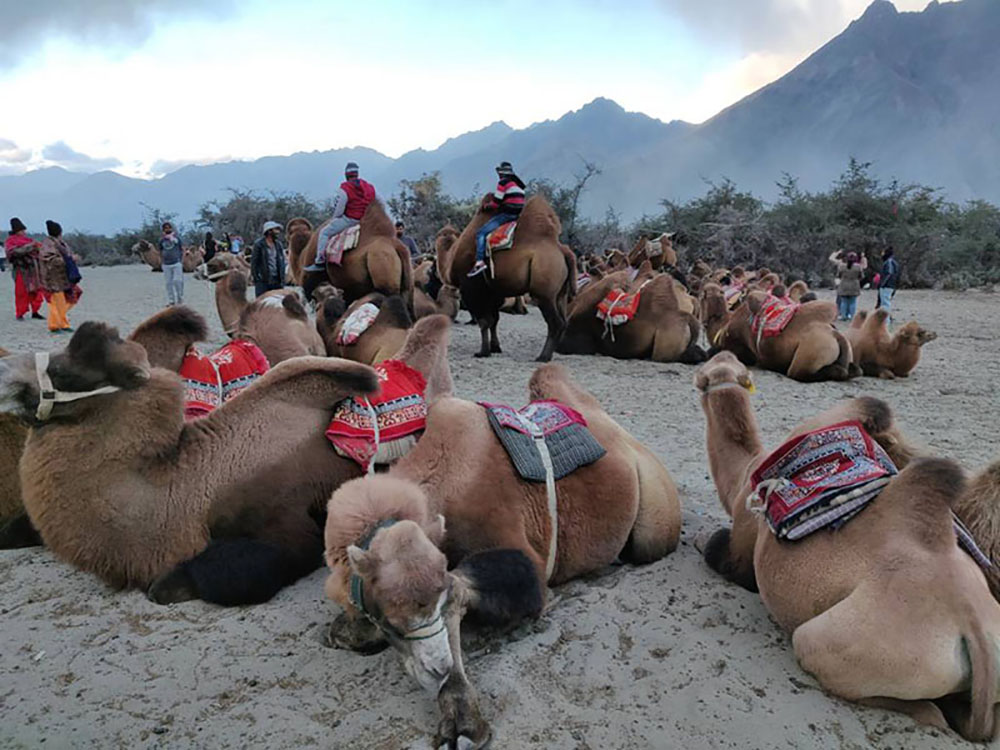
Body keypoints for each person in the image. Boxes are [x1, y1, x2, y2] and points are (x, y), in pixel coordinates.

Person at [307, 162, 380, 271]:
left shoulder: (344, 189)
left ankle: (320, 260)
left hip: (350, 220)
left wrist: (335, 218)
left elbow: (339, 209)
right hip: (366, 221)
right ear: (357, 174)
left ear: (346, 175)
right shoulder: (369, 187)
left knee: (324, 233)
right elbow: (378, 203)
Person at [469, 161, 525, 277]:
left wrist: (486, 207)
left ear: (501, 173)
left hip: (506, 215)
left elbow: (496, 203)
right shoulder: (519, 186)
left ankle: (479, 262)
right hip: (517, 216)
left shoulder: (503, 183)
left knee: (481, 233)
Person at [39, 220, 81, 333]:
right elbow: (50, 260)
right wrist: (69, 259)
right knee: (55, 302)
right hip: (53, 278)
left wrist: (71, 258)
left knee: (68, 299)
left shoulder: (59, 243)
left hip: (63, 277)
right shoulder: (48, 244)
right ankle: (55, 325)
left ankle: (62, 323)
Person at [5, 217, 44, 320]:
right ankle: (20, 313)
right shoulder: (10, 241)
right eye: (21, 230)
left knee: (36, 291)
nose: (23, 232)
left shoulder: (28, 240)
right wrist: (31, 247)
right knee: (21, 292)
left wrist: (37, 247)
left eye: (24, 230)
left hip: (33, 269)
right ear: (16, 231)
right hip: (20, 270)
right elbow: (14, 252)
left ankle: (35, 311)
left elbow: (39, 250)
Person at [251, 221, 286, 297]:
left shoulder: (278, 245)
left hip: (277, 280)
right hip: (264, 280)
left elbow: (281, 261)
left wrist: (282, 279)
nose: (278, 232)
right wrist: (257, 278)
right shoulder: (259, 245)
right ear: (269, 231)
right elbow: (254, 263)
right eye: (276, 229)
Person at [829, 250, 866, 321]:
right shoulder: (858, 267)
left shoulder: (842, 266)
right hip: (854, 286)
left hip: (844, 285)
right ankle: (852, 316)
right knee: (853, 302)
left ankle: (843, 316)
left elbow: (838, 275)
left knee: (844, 302)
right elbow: (861, 276)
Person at [159, 221, 184, 306]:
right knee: (168, 283)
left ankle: (180, 298)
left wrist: (181, 259)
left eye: (168, 227)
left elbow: (181, 248)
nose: (167, 229)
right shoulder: (162, 240)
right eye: (165, 228)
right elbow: (160, 250)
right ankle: (171, 300)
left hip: (176, 262)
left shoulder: (177, 238)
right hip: (166, 264)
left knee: (177, 281)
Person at [877, 248, 900, 315]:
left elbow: (889, 273)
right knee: (885, 302)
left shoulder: (888, 262)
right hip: (892, 285)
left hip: (887, 286)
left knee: (885, 303)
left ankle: (885, 320)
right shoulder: (894, 262)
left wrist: (882, 284)